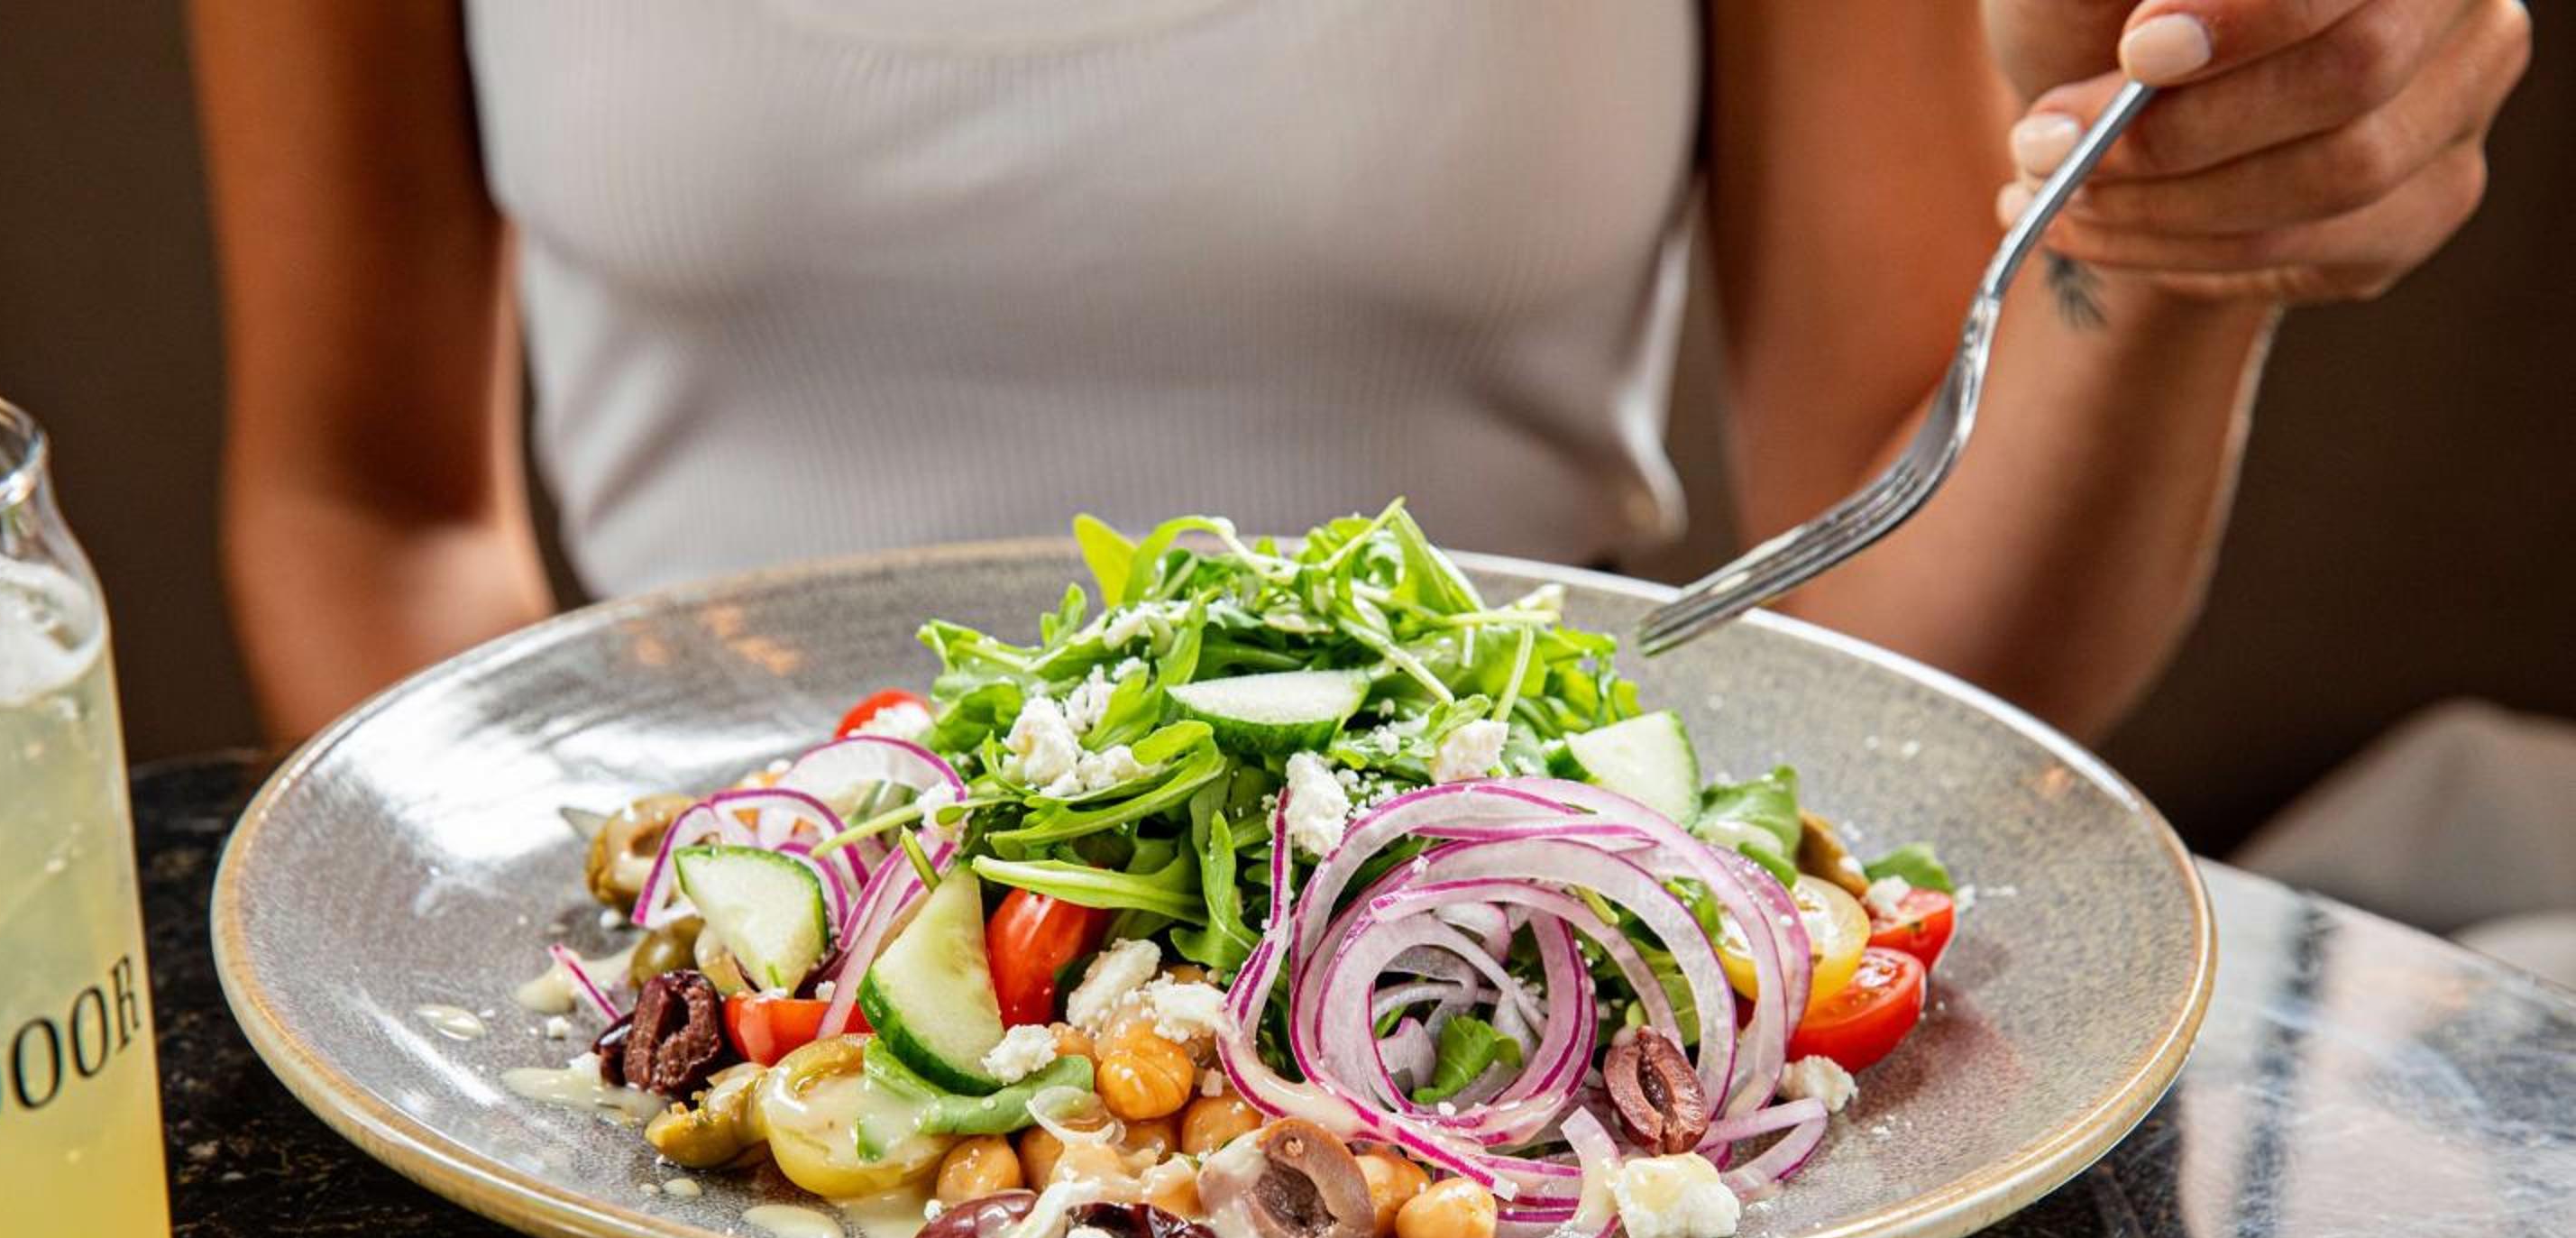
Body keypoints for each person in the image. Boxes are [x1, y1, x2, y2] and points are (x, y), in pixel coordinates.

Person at [190, 0, 2529, 746]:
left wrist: (2176, 231)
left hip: (1517, 1007)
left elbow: (1907, 639)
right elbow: (365, 505)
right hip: (704, 947)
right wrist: (603, 941)